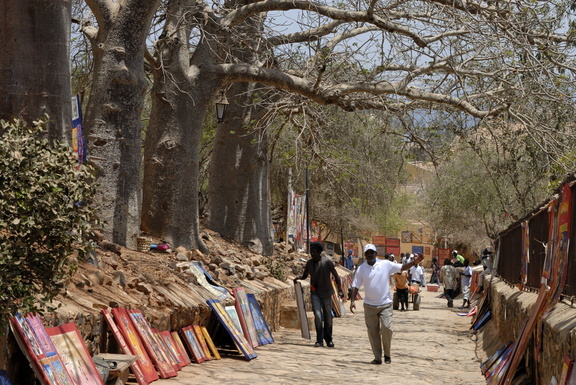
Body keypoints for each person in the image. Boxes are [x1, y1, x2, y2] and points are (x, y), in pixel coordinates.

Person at [350, 244, 424, 365]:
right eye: (367, 253)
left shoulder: (385, 264)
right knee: (372, 332)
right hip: (369, 306)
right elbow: (355, 286)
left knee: (387, 328)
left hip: (385, 304)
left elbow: (401, 267)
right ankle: (377, 357)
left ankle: (387, 353)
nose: (369, 255)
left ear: (375, 254)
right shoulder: (361, 269)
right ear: (365, 255)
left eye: (371, 252)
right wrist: (352, 301)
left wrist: (413, 262)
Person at [294, 242, 343, 347]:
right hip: (315, 293)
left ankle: (329, 339)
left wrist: (340, 289)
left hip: (326, 293)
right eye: (311, 252)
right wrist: (298, 278)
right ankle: (319, 340)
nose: (312, 254)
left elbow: (336, 276)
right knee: (318, 316)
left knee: (328, 317)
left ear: (319, 252)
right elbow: (304, 275)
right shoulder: (309, 263)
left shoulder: (327, 262)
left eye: (314, 252)